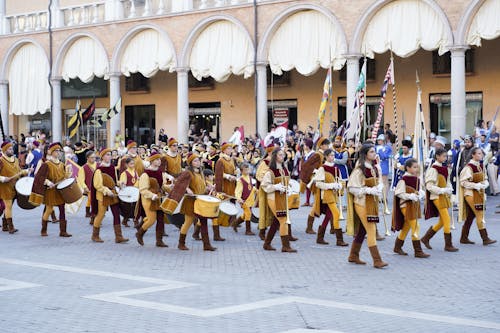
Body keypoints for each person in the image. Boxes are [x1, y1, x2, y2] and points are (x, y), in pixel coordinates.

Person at [163, 153, 217, 251]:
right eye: (195, 161)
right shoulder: (188, 172)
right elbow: (178, 182)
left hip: (201, 200)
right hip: (191, 201)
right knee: (188, 222)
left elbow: (202, 183)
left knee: (203, 221)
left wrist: (207, 186)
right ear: (191, 163)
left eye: (198, 160)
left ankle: (206, 244)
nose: (198, 162)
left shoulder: (201, 172)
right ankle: (181, 243)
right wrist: (187, 189)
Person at [346, 143, 387, 268]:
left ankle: (353, 255)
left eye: (374, 152)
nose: (374, 154)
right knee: (371, 229)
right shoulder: (360, 169)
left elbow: (378, 182)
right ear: (365, 154)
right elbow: (352, 187)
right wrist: (368, 190)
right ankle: (377, 260)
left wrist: (379, 183)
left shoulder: (374, 168)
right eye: (371, 152)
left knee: (363, 231)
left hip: (371, 202)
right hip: (362, 202)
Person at [29, 142, 72, 237]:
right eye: (56, 151)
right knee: (49, 209)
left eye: (59, 151)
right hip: (50, 191)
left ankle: (63, 231)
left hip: (60, 191)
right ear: (51, 152)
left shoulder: (61, 164)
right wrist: (48, 182)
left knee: (62, 209)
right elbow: (40, 177)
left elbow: (64, 177)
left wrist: (68, 173)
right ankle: (43, 229)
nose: (58, 152)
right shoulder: (46, 164)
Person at [391, 158, 430, 258]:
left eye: (417, 167)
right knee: (416, 226)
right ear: (407, 168)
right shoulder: (403, 179)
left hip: (414, 205)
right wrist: (409, 196)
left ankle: (397, 247)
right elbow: (398, 193)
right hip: (406, 205)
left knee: (407, 226)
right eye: (414, 167)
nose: (416, 169)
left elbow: (419, 190)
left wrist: (420, 194)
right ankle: (418, 251)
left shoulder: (417, 179)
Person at [261, 148, 297, 252]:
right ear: (275, 156)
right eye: (280, 155)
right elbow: (265, 185)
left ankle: (267, 243)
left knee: (277, 221)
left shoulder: (284, 168)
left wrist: (289, 187)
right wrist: (275, 187)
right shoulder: (270, 171)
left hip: (283, 198)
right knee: (283, 220)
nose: (283, 156)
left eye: (283, 155)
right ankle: (285, 246)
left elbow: (287, 181)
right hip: (273, 198)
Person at [421, 148, 457, 252]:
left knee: (442, 222)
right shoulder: (433, 169)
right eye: (444, 156)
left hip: (444, 196)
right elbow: (429, 186)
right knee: (447, 220)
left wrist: (450, 189)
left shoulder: (444, 168)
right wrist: (442, 190)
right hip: (436, 197)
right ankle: (448, 245)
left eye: (446, 156)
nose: (446, 158)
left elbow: (447, 181)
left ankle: (426, 238)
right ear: (437, 156)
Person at [458, 147, 496, 246]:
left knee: (471, 216)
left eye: (481, 153)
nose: (481, 155)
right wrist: (475, 185)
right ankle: (485, 238)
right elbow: (463, 182)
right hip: (470, 194)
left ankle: (463, 237)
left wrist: (485, 183)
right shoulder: (468, 167)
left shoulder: (481, 166)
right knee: (479, 214)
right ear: (473, 155)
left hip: (479, 194)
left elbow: (485, 177)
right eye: (478, 153)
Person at [90, 148, 129, 244]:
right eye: (107, 154)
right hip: (103, 195)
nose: (109, 156)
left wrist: (120, 184)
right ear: (102, 157)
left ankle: (118, 236)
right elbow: (97, 185)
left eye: (110, 154)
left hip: (113, 194)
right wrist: (106, 191)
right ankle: (95, 235)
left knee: (116, 214)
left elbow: (115, 181)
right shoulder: (99, 170)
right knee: (101, 214)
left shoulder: (112, 168)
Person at [311, 149, 347, 246]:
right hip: (327, 195)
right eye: (330, 155)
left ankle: (320, 237)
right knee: (336, 213)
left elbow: (339, 180)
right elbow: (318, 183)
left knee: (328, 216)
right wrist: (331, 186)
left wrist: (339, 185)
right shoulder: (323, 168)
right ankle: (339, 240)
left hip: (334, 194)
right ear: (326, 156)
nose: (332, 157)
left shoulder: (336, 168)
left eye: (333, 155)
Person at [135, 153, 168, 248]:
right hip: (148, 199)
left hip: (158, 198)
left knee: (161, 220)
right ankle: (140, 233)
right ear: (152, 161)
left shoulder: (160, 172)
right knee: (151, 220)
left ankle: (159, 241)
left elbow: (161, 186)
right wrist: (152, 195)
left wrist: (169, 187)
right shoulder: (146, 174)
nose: (159, 161)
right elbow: (143, 189)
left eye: (159, 159)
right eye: (157, 159)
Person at [0, 142, 32, 234]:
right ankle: (11, 227)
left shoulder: (16, 160)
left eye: (11, 148)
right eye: (9, 149)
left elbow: (19, 171)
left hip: (15, 186)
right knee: (8, 206)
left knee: (9, 207)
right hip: (5, 187)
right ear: (4, 150)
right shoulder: (1, 160)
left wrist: (26, 171)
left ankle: (5, 226)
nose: (11, 150)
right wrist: (2, 178)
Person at [214, 142, 238, 241]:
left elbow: (233, 169)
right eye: (228, 148)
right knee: (223, 203)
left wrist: (236, 172)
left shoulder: (231, 159)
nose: (230, 150)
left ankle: (232, 220)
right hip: (224, 184)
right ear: (223, 150)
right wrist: (227, 176)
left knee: (232, 200)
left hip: (232, 183)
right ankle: (221, 221)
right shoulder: (220, 160)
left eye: (230, 148)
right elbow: (219, 174)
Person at [232, 162, 256, 235]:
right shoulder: (240, 180)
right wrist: (239, 198)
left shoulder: (250, 178)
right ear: (241, 171)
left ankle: (235, 223)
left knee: (245, 215)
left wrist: (256, 190)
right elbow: (238, 191)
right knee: (248, 214)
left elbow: (251, 187)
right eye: (245, 170)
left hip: (250, 199)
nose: (247, 171)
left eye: (247, 169)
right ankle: (248, 230)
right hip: (244, 200)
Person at [118, 157, 139, 228]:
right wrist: (122, 184)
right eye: (131, 164)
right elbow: (122, 183)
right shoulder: (124, 173)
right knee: (128, 208)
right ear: (127, 165)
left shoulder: (135, 172)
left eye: (133, 163)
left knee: (136, 207)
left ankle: (136, 221)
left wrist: (138, 184)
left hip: (135, 191)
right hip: (128, 192)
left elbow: (138, 180)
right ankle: (125, 220)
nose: (133, 165)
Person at [77, 151, 96, 224]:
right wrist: (85, 187)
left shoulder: (98, 165)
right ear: (87, 158)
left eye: (94, 157)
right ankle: (92, 216)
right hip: (89, 187)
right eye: (92, 157)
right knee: (92, 201)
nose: (93, 159)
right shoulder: (83, 168)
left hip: (97, 187)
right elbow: (81, 179)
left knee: (93, 201)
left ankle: (91, 213)